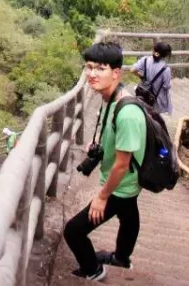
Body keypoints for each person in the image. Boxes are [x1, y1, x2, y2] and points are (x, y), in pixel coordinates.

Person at [63, 42, 147, 281]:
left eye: (100, 68)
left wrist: (102, 197)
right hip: (126, 183)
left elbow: (122, 164)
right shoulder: (110, 97)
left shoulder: (128, 112)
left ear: (116, 73)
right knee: (129, 214)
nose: (91, 74)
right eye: (88, 67)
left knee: (74, 231)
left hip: (121, 184)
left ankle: (93, 270)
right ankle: (121, 258)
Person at [131, 42, 173, 114]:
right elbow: (166, 86)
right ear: (166, 55)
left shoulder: (145, 59)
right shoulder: (166, 69)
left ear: (154, 50)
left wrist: (142, 77)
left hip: (143, 92)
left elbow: (132, 70)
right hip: (155, 100)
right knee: (153, 116)